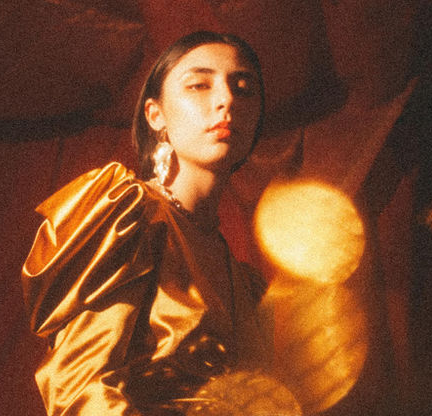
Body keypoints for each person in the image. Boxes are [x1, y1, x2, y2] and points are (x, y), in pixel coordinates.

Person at [21, 31, 270, 415]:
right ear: (156, 115)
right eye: (199, 85)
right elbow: (80, 389)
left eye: (244, 88)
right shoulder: (126, 220)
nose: (227, 100)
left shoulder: (248, 286)